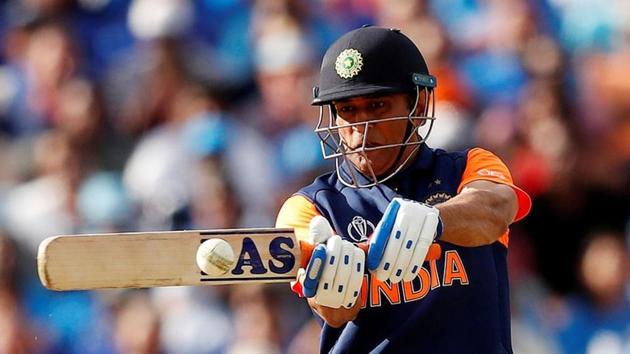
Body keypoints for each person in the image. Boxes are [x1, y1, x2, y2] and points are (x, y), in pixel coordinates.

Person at [276, 26, 532, 353]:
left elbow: (495, 210)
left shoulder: (467, 167)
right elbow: (333, 313)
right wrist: (331, 287)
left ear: (420, 106)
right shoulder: (309, 207)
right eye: (348, 110)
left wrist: (433, 220)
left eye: (378, 106)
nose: (361, 129)